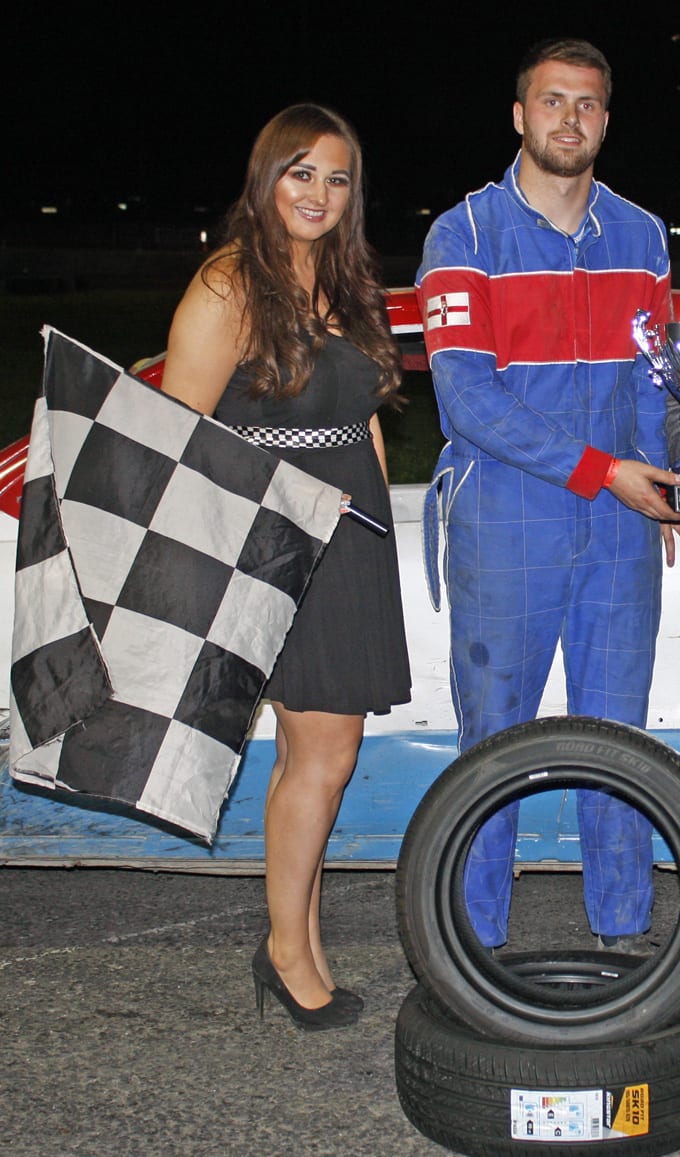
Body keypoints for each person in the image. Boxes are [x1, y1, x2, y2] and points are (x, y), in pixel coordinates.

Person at [416, 38, 680, 951]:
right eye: (553, 101)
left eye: (589, 104)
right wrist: (605, 469)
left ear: (606, 120)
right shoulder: (463, 235)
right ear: (521, 116)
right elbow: (466, 398)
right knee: (495, 741)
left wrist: (661, 484)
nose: (571, 118)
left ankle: (625, 939)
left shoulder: (643, 235)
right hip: (503, 517)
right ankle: (473, 949)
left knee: (618, 739)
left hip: (618, 529)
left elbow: (655, 381)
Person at [161, 103, 412, 1029]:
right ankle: (284, 951)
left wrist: (384, 532)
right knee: (325, 755)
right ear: (266, 179)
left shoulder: (344, 282)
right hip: (273, 539)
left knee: (314, 755)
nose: (318, 193)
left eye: (337, 178)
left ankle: (297, 939)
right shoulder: (230, 284)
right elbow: (178, 439)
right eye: (300, 172)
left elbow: (366, 421)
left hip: (353, 537)